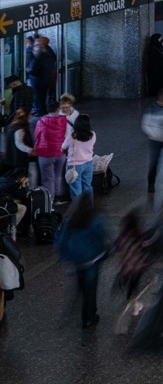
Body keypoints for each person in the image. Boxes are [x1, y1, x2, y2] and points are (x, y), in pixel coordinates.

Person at [56, 195, 108, 328]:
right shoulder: (96, 219)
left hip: (76, 261)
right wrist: (105, 250)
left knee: (83, 287)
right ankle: (89, 317)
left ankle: (85, 312)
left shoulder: (72, 220)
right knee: (90, 289)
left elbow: (61, 239)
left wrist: (63, 255)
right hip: (91, 260)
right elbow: (103, 236)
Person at [33, 101, 69, 201]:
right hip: (60, 152)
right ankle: (58, 197)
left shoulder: (41, 121)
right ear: (58, 109)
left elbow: (36, 135)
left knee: (48, 179)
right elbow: (68, 135)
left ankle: (49, 201)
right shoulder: (64, 120)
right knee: (58, 176)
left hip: (45, 153)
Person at [64, 114, 96, 199]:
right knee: (87, 186)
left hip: (75, 165)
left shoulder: (72, 136)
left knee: (76, 190)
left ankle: (78, 210)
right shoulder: (92, 135)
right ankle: (89, 208)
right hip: (88, 164)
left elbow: (63, 147)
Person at [30, 36, 58, 116]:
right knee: (42, 97)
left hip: (38, 81)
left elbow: (34, 71)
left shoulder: (39, 58)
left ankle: (41, 112)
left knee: (38, 98)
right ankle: (43, 111)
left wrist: (29, 70)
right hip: (46, 79)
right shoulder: (49, 53)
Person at [143, 34, 163, 98]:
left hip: (153, 66)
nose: (160, 39)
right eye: (159, 38)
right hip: (161, 65)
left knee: (155, 80)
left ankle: (155, 92)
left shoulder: (151, 46)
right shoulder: (157, 45)